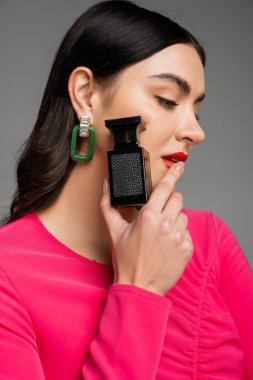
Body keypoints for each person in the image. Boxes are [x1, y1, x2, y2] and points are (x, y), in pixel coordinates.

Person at [0, 0, 252, 378]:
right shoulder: (8, 273)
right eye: (167, 100)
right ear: (86, 94)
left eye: (195, 110)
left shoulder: (206, 241)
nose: (195, 132)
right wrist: (140, 291)